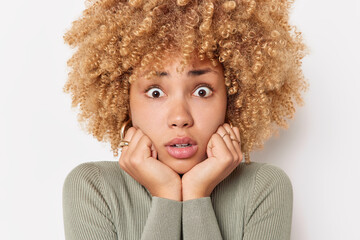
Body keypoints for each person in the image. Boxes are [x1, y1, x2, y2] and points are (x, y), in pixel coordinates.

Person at [62, 0, 308, 239]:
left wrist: (196, 195)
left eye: (202, 91)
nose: (180, 118)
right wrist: (166, 195)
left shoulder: (262, 188)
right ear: (124, 100)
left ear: (233, 97)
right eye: (155, 92)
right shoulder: (94, 188)